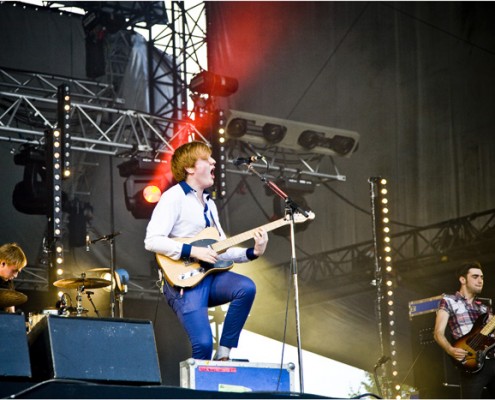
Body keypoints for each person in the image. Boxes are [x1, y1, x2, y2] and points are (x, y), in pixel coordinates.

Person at [144, 141, 268, 361]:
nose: (213, 162)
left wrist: (253, 252)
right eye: (206, 159)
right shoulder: (173, 197)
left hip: (210, 277)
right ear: (190, 168)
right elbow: (152, 241)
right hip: (183, 282)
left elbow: (219, 250)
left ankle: (225, 352)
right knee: (202, 344)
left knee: (246, 288)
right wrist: (192, 251)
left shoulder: (210, 204)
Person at [434, 261, 495, 398]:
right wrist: (450, 350)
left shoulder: (485, 308)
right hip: (471, 361)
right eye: (475, 277)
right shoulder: (449, 301)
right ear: (463, 279)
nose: (480, 281)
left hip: (492, 359)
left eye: (482, 277)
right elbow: (438, 333)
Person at [0, 242, 28, 313]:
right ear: (3, 264)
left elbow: (10, 311)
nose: (16, 275)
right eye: (14, 271)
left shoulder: (8, 283)